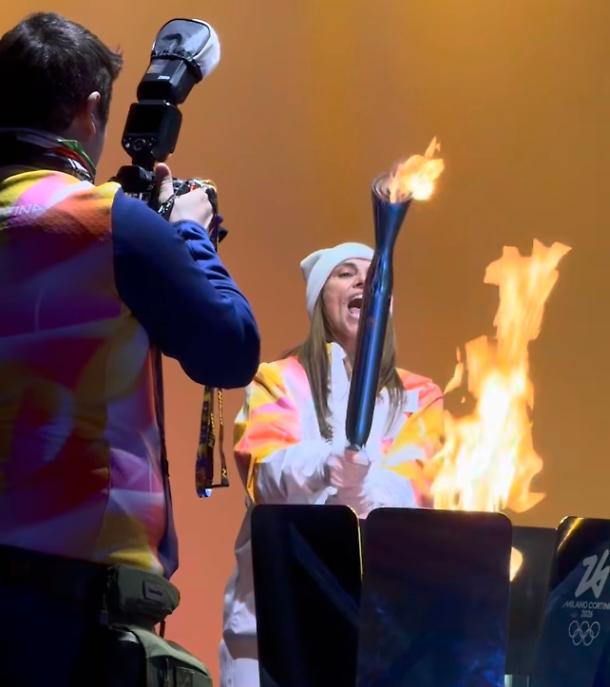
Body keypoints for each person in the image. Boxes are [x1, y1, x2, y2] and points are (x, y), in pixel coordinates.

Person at [0, 12, 259, 686]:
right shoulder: (107, 223)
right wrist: (188, 232)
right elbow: (230, 348)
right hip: (73, 615)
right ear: (90, 110)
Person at [220, 242, 444, 686]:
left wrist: (364, 493)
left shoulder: (420, 396)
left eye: (374, 275)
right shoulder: (277, 380)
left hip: (381, 632)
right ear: (321, 299)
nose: (362, 280)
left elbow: (419, 489)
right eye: (345, 273)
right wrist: (325, 467)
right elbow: (263, 472)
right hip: (275, 625)